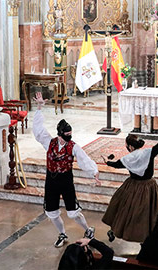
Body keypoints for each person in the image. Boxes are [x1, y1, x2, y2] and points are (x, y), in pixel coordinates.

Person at [33, 92, 100, 248]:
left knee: (73, 213)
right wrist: (39, 107)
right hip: (51, 179)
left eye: (71, 135)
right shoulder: (49, 142)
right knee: (52, 212)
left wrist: (94, 172)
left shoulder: (73, 146)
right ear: (60, 134)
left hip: (66, 181)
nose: (70, 137)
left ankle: (88, 230)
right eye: (67, 135)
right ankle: (62, 233)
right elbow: (38, 130)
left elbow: (84, 159)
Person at [101, 115, 158, 243]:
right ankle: (149, 237)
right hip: (149, 187)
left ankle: (115, 230)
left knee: (124, 210)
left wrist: (106, 161)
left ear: (131, 147)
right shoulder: (149, 152)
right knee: (150, 213)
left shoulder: (127, 159)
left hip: (132, 187)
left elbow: (115, 165)